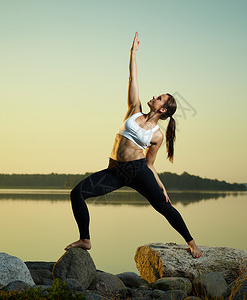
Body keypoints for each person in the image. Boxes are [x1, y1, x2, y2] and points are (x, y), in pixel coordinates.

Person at [65, 32, 202, 258]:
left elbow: (149, 163)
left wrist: (161, 185)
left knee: (163, 206)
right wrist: (133, 53)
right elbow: (132, 78)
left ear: (163, 110)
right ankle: (85, 239)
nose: (154, 97)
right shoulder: (134, 109)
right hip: (115, 170)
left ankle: (192, 244)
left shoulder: (157, 135)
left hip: (137, 171)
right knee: (77, 193)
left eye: (159, 98)